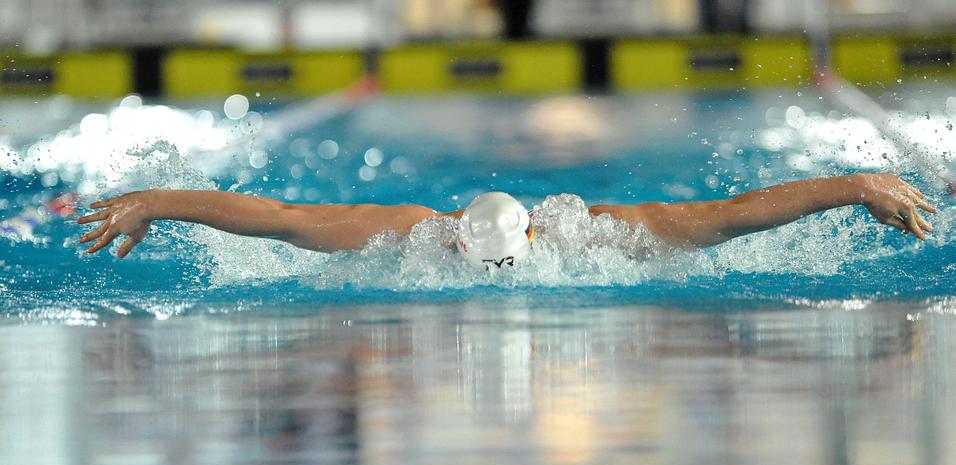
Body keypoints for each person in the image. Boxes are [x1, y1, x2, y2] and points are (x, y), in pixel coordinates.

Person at [77, 173, 936, 268]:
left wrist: (856, 183)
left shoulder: (595, 235)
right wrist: (155, 198)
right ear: (452, 236)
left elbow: (731, 216)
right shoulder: (402, 233)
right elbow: (280, 218)